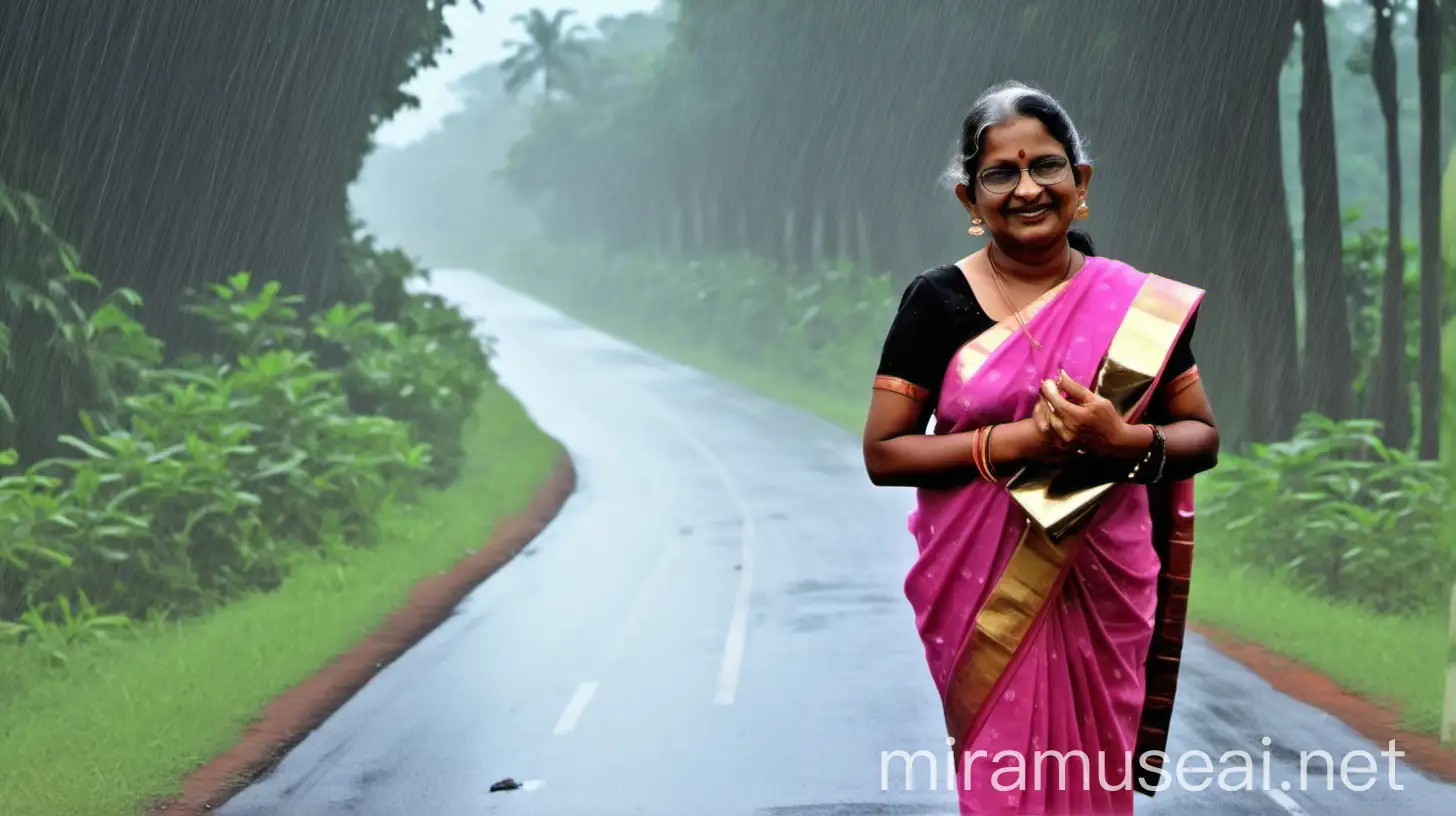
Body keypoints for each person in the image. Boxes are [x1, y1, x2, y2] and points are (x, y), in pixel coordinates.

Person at [862, 80, 1220, 815]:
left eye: (1047, 167)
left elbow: (1202, 436)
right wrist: (1018, 441)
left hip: (1104, 587)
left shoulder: (1139, 309)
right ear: (969, 199)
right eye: (1001, 173)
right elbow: (885, 453)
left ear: (1079, 181)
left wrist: (1123, 442)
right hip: (982, 590)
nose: (1028, 189)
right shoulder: (937, 303)